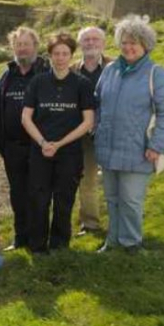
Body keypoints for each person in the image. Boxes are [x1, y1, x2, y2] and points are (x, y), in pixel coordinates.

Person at [95, 16, 164, 254]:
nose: (129, 47)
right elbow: (97, 101)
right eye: (125, 42)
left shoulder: (156, 74)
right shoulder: (110, 70)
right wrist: (96, 129)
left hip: (138, 149)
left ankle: (131, 243)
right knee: (111, 198)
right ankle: (112, 240)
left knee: (130, 200)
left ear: (145, 46)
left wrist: (157, 145)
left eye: (135, 43)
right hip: (108, 148)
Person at [21, 32, 95, 254]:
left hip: (69, 152)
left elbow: (88, 121)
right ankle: (37, 245)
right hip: (40, 151)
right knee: (39, 199)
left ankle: (60, 244)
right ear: (50, 55)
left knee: (64, 199)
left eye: (65, 53)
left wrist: (60, 144)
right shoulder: (38, 82)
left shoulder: (82, 84)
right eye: (56, 53)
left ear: (72, 55)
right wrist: (43, 142)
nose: (61, 58)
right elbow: (26, 117)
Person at [0, 27, 51, 251]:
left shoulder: (45, 73)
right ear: (13, 48)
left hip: (38, 146)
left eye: (27, 44)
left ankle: (38, 242)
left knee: (38, 195)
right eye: (18, 45)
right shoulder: (7, 74)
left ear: (35, 47)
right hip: (13, 148)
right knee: (17, 194)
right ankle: (20, 238)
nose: (22, 49)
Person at [70, 26, 112, 236]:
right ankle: (90, 224)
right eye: (86, 40)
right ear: (80, 45)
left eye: (95, 39)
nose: (91, 43)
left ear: (103, 44)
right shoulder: (71, 70)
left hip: (112, 134)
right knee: (87, 180)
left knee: (117, 180)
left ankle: (121, 222)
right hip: (83, 136)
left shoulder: (115, 67)